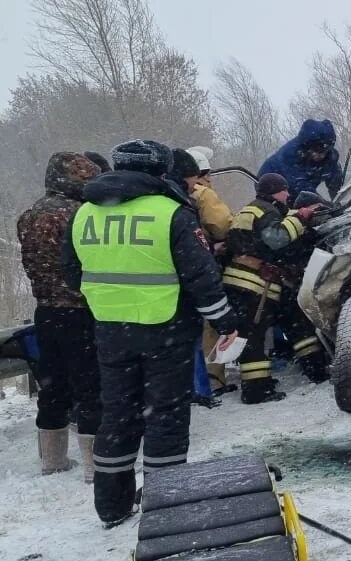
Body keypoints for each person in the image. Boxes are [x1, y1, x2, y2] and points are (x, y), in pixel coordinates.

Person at [61, 139, 239, 527]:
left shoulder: (83, 214)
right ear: (162, 172)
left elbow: (73, 274)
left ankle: (111, 505)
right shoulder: (171, 212)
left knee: (118, 415)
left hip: (110, 329)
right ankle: (165, 504)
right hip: (166, 328)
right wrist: (225, 320)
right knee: (166, 417)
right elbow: (201, 277)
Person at [17, 152, 102, 482]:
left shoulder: (29, 215)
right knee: (89, 385)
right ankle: (96, 465)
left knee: (52, 385)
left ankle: (52, 459)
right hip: (81, 310)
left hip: (45, 310)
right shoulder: (80, 214)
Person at [223, 173, 324, 404]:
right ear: (274, 191)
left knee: (287, 324)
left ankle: (310, 369)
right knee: (255, 336)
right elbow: (275, 239)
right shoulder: (266, 210)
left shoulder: (249, 209)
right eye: (284, 190)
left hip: (240, 281)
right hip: (254, 283)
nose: (288, 195)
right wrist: (300, 219)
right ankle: (256, 391)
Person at [169, 148, 238, 396]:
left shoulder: (159, 195)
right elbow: (222, 226)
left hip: (169, 277)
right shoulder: (203, 194)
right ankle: (212, 381)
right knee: (209, 325)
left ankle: (188, 384)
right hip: (200, 264)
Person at [259, 119, 344, 202]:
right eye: (311, 150)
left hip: (298, 185)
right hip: (270, 184)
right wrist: (323, 204)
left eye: (320, 151)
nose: (315, 155)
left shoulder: (331, 157)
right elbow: (301, 188)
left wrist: (339, 202)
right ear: (306, 147)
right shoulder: (289, 155)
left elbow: (336, 183)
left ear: (328, 148)